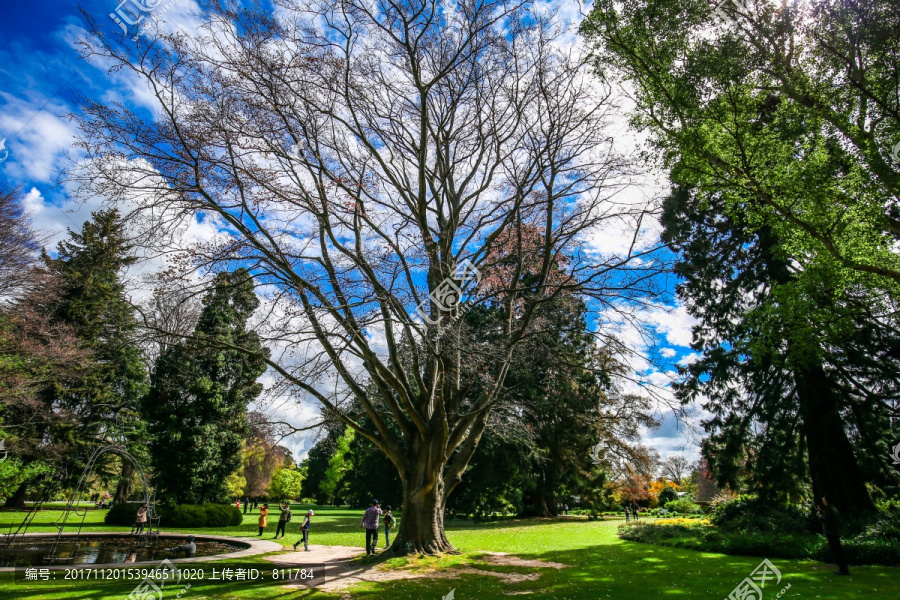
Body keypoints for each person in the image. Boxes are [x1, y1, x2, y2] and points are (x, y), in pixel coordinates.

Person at [817, 495, 850, 575]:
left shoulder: (829, 509)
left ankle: (843, 570)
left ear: (826, 500)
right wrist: (821, 511)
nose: (822, 500)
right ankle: (843, 569)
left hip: (831, 532)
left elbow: (826, 520)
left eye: (823, 499)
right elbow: (829, 516)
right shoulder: (832, 508)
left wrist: (819, 515)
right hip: (834, 532)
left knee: (837, 551)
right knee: (838, 551)